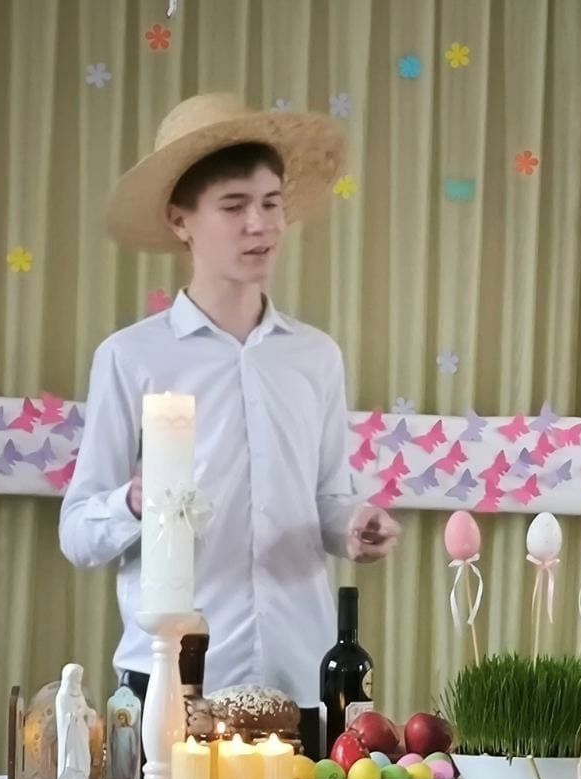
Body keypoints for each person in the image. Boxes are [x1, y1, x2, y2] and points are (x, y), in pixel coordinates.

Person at [60, 94, 398, 710]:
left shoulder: (315, 357)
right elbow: (78, 532)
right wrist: (133, 502)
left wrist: (354, 525)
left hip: (300, 675)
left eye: (271, 203)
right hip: (171, 677)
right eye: (234, 206)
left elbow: (327, 498)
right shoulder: (132, 357)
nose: (259, 224)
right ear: (180, 221)